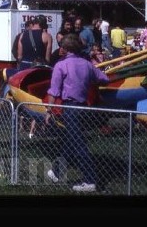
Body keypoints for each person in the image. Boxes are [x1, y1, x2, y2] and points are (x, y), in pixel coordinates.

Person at [44, 34, 111, 193]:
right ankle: (57, 172)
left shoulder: (61, 65)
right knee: (70, 140)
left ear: (64, 49)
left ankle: (90, 180)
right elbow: (105, 79)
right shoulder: (87, 64)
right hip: (83, 107)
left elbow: (54, 91)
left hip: (70, 108)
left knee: (78, 144)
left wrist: (48, 110)